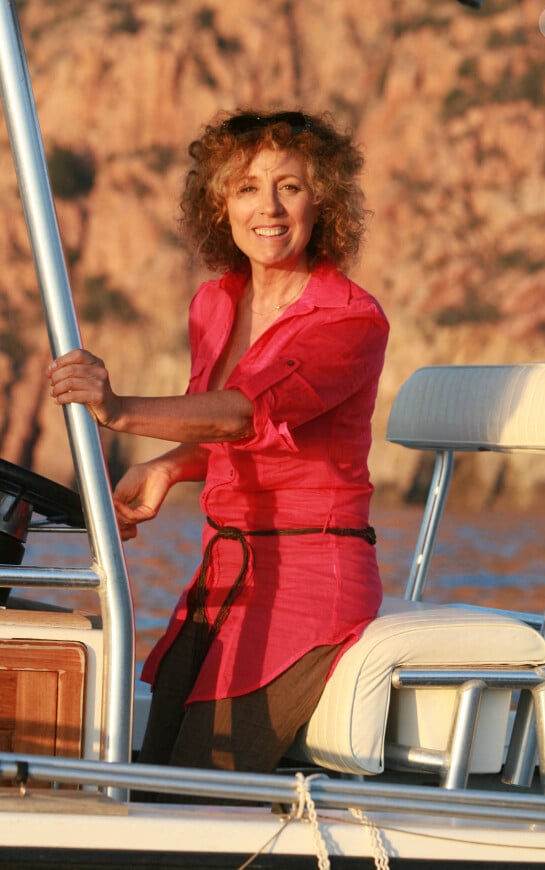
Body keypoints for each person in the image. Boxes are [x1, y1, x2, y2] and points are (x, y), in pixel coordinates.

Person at [47, 109, 389, 775]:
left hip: (309, 581)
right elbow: (223, 434)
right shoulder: (214, 303)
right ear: (219, 204)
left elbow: (243, 417)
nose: (270, 207)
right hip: (223, 573)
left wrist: (115, 409)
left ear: (323, 200)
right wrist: (169, 467)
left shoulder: (349, 321)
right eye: (247, 187)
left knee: (195, 790)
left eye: (290, 186)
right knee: (146, 774)